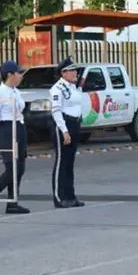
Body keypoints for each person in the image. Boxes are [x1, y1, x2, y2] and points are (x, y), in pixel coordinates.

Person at [0, 60, 30, 214]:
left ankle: (12, 201)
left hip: (19, 126)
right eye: (18, 73)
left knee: (20, 168)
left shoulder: (16, 91)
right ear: (10, 75)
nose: (21, 76)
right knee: (11, 168)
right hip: (7, 128)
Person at [50, 57, 85, 209]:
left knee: (70, 163)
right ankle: (59, 197)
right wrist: (64, 131)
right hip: (62, 124)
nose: (75, 72)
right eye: (72, 70)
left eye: (75, 70)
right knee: (61, 162)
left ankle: (70, 196)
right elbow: (56, 110)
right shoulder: (57, 89)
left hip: (74, 123)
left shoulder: (73, 87)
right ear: (63, 73)